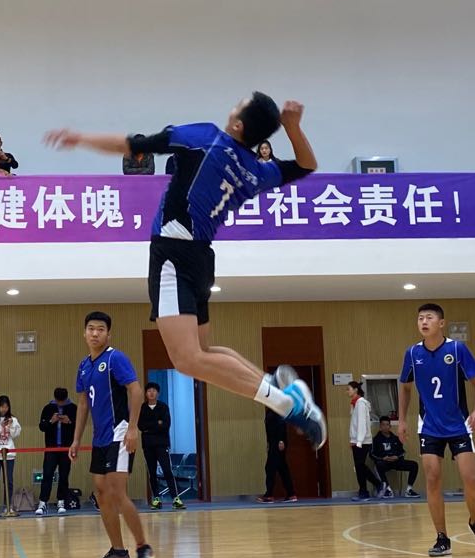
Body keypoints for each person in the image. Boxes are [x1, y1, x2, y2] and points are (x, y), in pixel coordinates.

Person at [45, 93, 326, 450]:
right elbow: (307, 165)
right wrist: (292, 127)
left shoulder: (204, 137)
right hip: (201, 259)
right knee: (204, 350)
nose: (232, 105)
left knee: (188, 360)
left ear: (238, 123)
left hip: (173, 255)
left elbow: (134, 145)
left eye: (238, 104)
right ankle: (279, 390)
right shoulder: (256, 170)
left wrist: (80, 138)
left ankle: (287, 405)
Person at [398, 302, 475, 556]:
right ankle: (442, 538)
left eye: (429, 317)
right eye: (420, 318)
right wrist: (402, 420)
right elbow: (405, 387)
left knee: (470, 478)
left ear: (441, 323)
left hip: (459, 424)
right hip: (429, 426)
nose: (424, 322)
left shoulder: (457, 349)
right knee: (432, 478)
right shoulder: (412, 353)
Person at [69, 311, 153, 558]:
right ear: (84, 333)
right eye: (91, 329)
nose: (95, 333)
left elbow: (136, 390)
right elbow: (83, 404)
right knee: (102, 493)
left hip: (119, 432)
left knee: (117, 491)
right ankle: (118, 551)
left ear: (108, 334)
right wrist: (76, 439)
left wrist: (133, 428)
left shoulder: (115, 358)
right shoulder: (84, 366)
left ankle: (143, 547)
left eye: (101, 329)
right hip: (100, 438)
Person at [139, 382, 183, 510]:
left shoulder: (163, 407)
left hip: (162, 444)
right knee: (152, 472)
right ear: (146, 394)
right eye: (149, 391)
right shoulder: (143, 408)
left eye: (154, 390)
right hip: (148, 445)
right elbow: (141, 426)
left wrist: (150, 427)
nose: (151, 393)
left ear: (158, 393)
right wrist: (157, 423)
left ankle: (176, 498)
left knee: (167, 470)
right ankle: (156, 499)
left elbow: (165, 425)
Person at [37, 388, 77, 515]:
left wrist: (69, 421)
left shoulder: (73, 408)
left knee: (64, 475)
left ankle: (61, 501)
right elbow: (42, 427)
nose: (60, 403)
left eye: (62, 401)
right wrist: (51, 421)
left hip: (66, 448)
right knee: (47, 474)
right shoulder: (48, 408)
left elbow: (78, 426)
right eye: (58, 401)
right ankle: (43, 502)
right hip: (51, 448)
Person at [370, 416, 420, 499]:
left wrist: (397, 456)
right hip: (384, 462)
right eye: (383, 425)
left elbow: (402, 452)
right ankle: (387, 490)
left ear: (390, 426)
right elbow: (372, 454)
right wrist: (383, 458)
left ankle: (409, 490)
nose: (385, 427)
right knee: (378, 465)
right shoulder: (376, 440)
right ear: (380, 426)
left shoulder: (396, 438)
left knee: (414, 465)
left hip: (396, 462)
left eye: (387, 425)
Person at [347, 381, 378, 502]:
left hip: (363, 441)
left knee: (360, 466)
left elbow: (362, 424)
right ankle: (363, 491)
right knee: (359, 467)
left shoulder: (361, 404)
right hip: (357, 440)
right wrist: (353, 440)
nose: (347, 391)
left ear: (356, 390)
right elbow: (354, 424)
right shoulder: (355, 404)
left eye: (349, 389)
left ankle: (376, 485)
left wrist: (358, 441)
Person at [257, 409, 297, 502]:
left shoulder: (277, 411)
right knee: (283, 469)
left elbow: (281, 425)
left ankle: (269, 495)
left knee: (270, 468)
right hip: (273, 443)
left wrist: (281, 440)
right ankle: (291, 494)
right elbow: (269, 429)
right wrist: (268, 443)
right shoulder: (271, 411)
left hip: (277, 443)